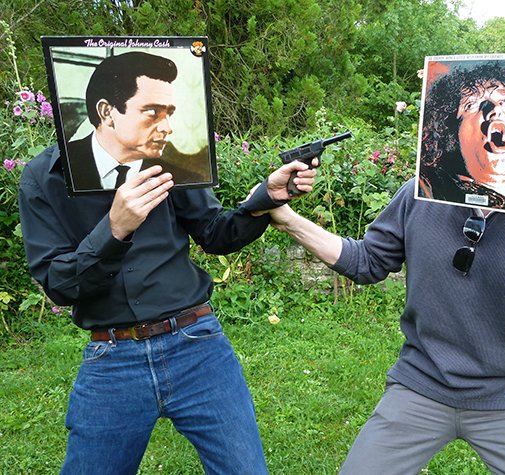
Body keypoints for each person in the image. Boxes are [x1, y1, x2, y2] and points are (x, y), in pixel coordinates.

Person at [19, 135, 317, 473]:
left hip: (197, 347)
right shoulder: (43, 176)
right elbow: (60, 285)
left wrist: (266, 198)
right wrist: (114, 229)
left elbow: (214, 232)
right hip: (113, 360)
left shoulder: (165, 155)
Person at [267, 177, 505, 473]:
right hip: (421, 385)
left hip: (504, 396)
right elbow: (368, 260)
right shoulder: (421, 193)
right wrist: (287, 219)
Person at [66, 51, 210, 192]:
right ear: (107, 112)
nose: (168, 128)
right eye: (152, 112)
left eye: (169, 114)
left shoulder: (183, 182)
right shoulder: (60, 166)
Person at [418, 61, 505, 211]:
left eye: (504, 102)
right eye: (471, 105)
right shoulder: (423, 193)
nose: (495, 109)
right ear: (450, 135)